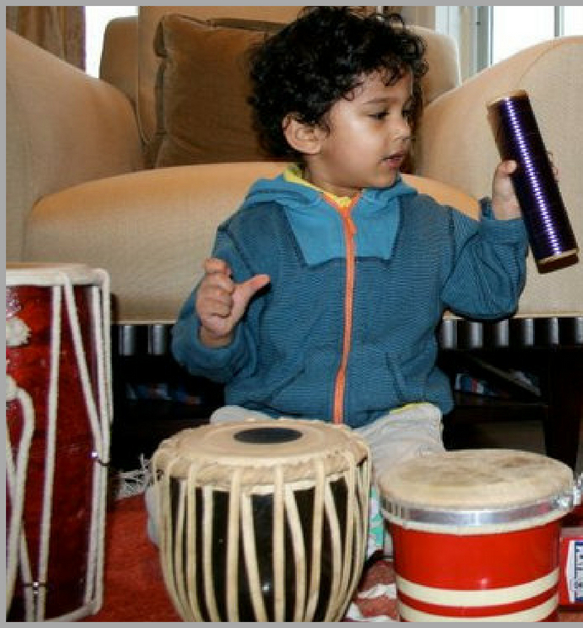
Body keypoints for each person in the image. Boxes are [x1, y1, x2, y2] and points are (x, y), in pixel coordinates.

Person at [159, 7, 529, 551]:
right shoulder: (254, 228)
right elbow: (208, 359)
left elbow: (492, 297)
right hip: (270, 417)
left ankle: (345, 521)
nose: (403, 129)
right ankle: (333, 523)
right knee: (189, 497)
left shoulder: (429, 222)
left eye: (406, 111)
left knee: (424, 502)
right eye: (379, 114)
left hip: (394, 423)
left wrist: (505, 217)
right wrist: (214, 330)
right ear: (306, 131)